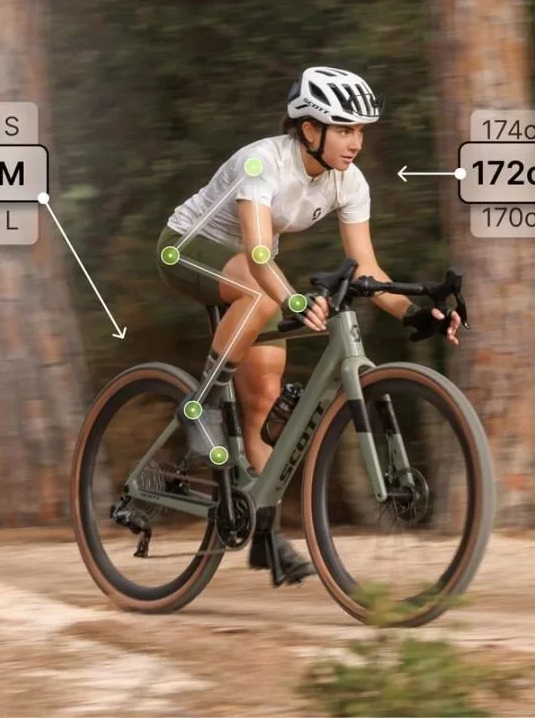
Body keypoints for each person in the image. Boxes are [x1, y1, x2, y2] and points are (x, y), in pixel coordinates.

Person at [155, 66, 462, 585]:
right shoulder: (263, 162)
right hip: (189, 250)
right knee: (259, 294)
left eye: (361, 131)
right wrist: (293, 299)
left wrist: (418, 310)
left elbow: (366, 267)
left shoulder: (350, 181)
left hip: (254, 274)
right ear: (309, 128)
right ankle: (201, 408)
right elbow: (255, 252)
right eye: (345, 130)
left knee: (262, 401)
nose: (356, 142)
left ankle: (264, 536)